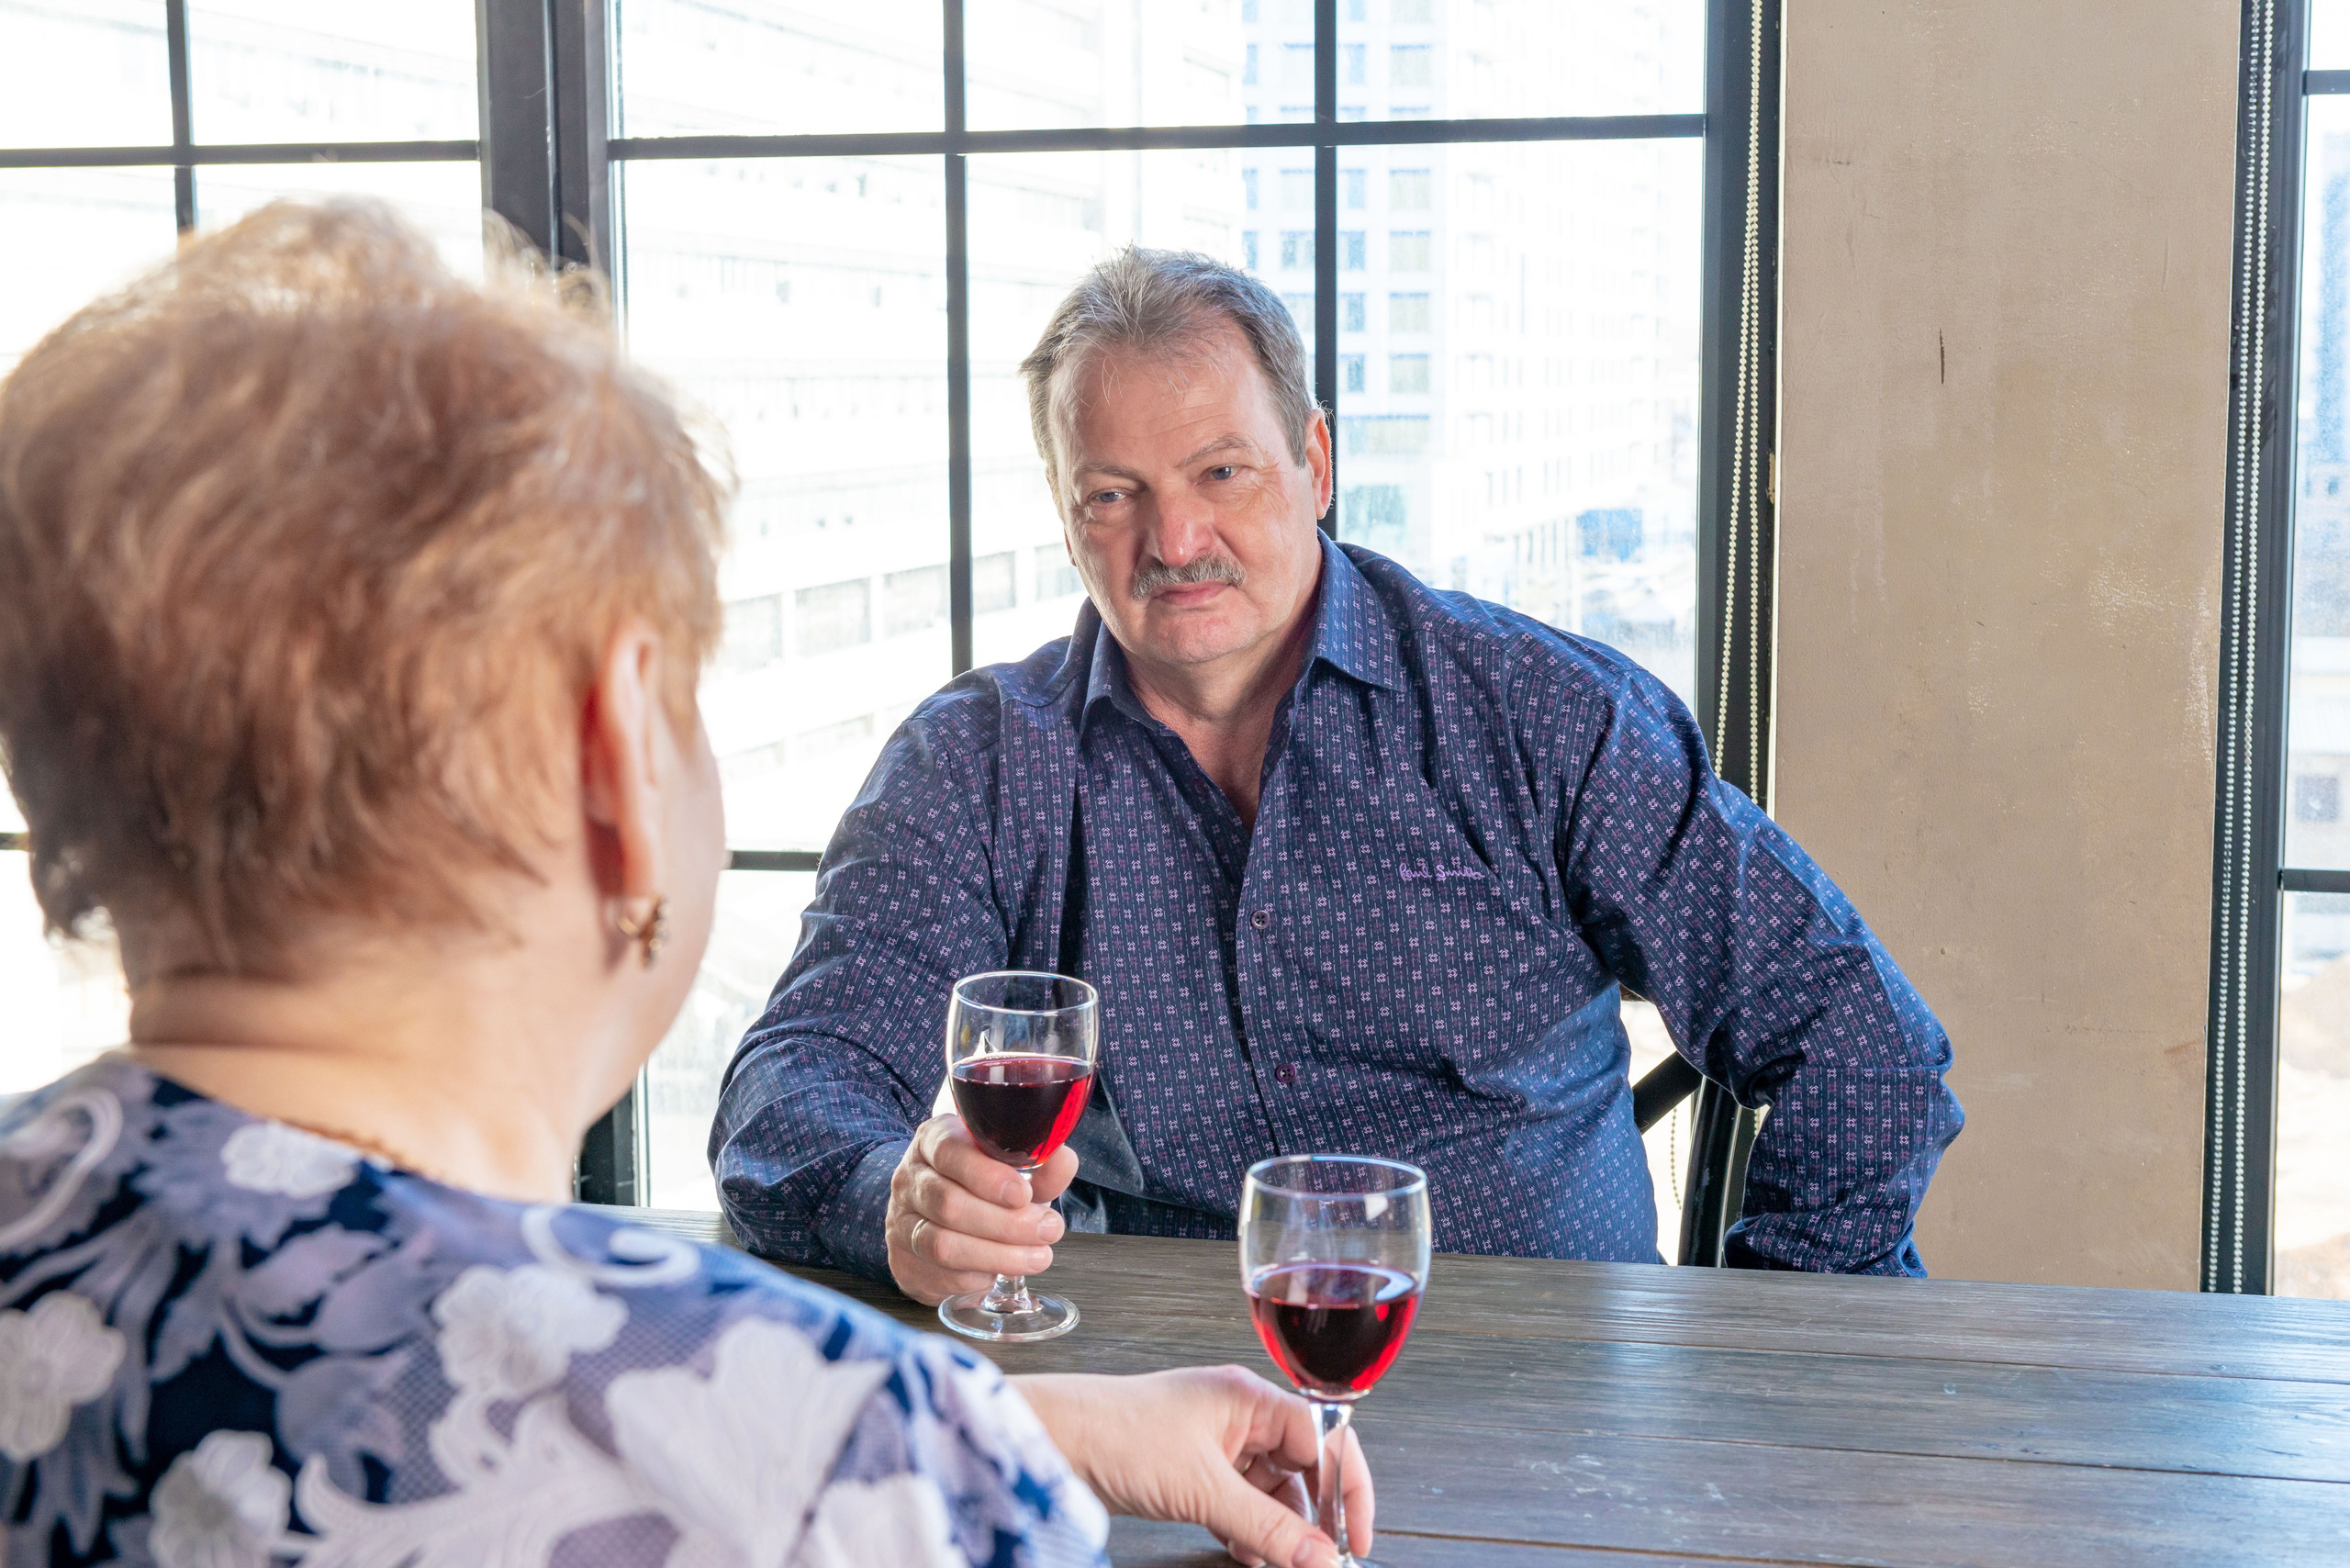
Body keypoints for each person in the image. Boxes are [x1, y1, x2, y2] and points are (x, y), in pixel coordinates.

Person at [0, 204, 1370, 1568]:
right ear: (616, 752)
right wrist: (924, 1440)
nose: (1173, 536)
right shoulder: (860, 1467)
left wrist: (996, 1421)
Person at [713, 247, 1964, 1305]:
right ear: (1064, 513)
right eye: (1115, 493)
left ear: (1315, 461)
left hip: (1550, 1418)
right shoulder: (977, 763)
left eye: (1221, 471)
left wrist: (1761, 1361)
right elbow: (792, 1087)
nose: (1175, 540)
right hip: (1155, 1419)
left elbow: (1862, 1047)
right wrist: (898, 1199)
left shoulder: (1537, 714)